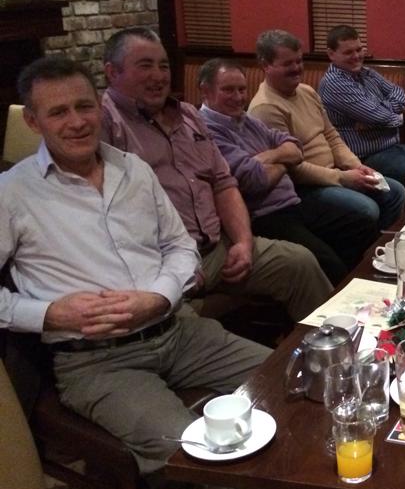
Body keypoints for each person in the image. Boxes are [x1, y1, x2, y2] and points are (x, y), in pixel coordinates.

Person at [0, 56, 271, 474]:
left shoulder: (134, 170)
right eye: (58, 112)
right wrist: (48, 314)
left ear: (100, 106)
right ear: (33, 122)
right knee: (192, 454)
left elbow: (180, 246)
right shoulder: (12, 192)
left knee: (291, 382)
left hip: (179, 331)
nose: (77, 122)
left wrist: (159, 297)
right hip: (97, 361)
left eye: (84, 106)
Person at [99, 27, 332, 323]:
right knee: (179, 325)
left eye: (164, 66)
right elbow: (103, 217)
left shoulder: (188, 115)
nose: (158, 76)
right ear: (112, 72)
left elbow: (224, 184)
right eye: (145, 66)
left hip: (217, 248)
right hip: (159, 265)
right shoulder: (104, 124)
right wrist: (174, 266)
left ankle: (336, 346)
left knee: (300, 263)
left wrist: (243, 242)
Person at [248, 29, 405, 267]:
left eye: (299, 61)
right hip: (304, 189)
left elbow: (332, 135)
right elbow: (292, 168)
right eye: (288, 64)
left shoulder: (306, 91)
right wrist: (343, 178)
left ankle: (381, 259)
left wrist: (356, 166)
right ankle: (358, 268)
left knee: (395, 192)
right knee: (366, 209)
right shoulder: (265, 108)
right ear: (265, 65)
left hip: (336, 173)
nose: (297, 68)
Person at [197, 58, 348, 285]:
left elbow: (295, 147)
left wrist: (270, 158)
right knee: (332, 263)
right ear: (205, 91)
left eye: (241, 89)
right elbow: (254, 180)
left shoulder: (246, 119)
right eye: (228, 90)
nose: (238, 97)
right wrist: (284, 160)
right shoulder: (206, 130)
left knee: (359, 221)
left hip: (292, 202)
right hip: (264, 215)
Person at [318, 25, 405, 182]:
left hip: (394, 147)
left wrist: (377, 113)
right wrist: (395, 117)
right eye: (348, 52)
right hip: (367, 157)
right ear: (331, 54)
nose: (356, 56)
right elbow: (378, 117)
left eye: (359, 49)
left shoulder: (367, 73)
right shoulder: (335, 83)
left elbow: (399, 95)